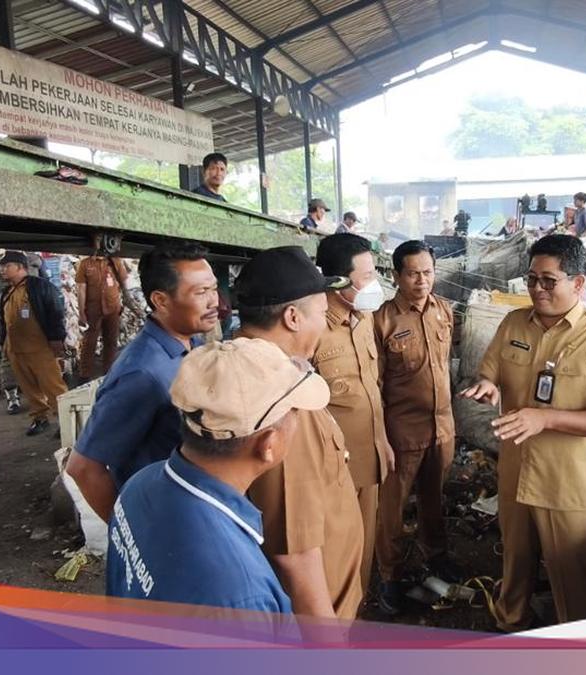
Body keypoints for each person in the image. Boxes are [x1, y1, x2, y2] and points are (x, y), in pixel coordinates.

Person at [461, 234, 586, 631]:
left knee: (571, 579)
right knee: (515, 563)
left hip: (568, 482)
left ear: (578, 283)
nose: (537, 290)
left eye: (549, 281)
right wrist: (489, 384)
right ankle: (509, 625)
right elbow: (491, 370)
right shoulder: (513, 322)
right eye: (532, 279)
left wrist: (545, 419)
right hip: (517, 471)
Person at [106, 338, 299, 614]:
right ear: (267, 445)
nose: (298, 421)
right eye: (294, 412)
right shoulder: (241, 597)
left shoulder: (140, 484)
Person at [234, 246, 365, 620]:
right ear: (292, 317)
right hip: (319, 613)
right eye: (323, 313)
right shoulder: (284, 405)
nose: (325, 323)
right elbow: (294, 551)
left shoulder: (251, 368)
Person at [66, 242, 219, 522]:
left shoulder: (191, 342)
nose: (214, 301)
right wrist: (132, 533)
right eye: (201, 292)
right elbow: (84, 468)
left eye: (213, 289)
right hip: (164, 516)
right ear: (160, 300)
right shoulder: (140, 373)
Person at [372, 241, 459, 615]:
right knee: (391, 509)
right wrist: (380, 437)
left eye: (427, 272)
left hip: (442, 428)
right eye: (412, 273)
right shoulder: (382, 319)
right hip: (402, 434)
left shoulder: (444, 311)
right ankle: (390, 576)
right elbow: (373, 385)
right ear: (396, 276)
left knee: (433, 498)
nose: (421, 281)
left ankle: (435, 555)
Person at [312, 233, 396, 597]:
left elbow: (370, 390)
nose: (374, 284)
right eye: (367, 276)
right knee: (336, 558)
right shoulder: (312, 331)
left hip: (371, 459)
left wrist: (383, 442)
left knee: (363, 548)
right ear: (338, 281)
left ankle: (357, 615)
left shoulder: (363, 320)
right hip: (334, 473)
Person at [0, 251, 67, 437]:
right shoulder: (7, 291)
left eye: (6, 266)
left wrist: (57, 338)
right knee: (29, 388)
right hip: (16, 350)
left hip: (40, 348)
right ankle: (40, 418)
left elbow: (56, 312)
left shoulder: (39, 287)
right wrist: (1, 343)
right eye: (1, 267)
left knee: (53, 386)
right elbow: (3, 320)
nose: (2, 270)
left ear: (20, 267)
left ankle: (66, 420)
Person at [0, 250, 43, 415]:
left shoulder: (34, 259)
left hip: (34, 320)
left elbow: (46, 288)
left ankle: (41, 399)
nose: (3, 269)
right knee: (8, 359)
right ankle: (12, 396)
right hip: (7, 320)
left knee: (38, 360)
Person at [76, 239, 129, 381]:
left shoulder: (115, 262)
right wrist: (81, 313)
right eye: (97, 240)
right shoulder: (86, 264)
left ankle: (109, 372)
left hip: (113, 309)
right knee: (90, 342)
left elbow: (124, 283)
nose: (100, 244)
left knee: (111, 341)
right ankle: (85, 374)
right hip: (93, 310)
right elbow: (81, 289)